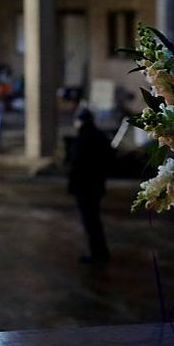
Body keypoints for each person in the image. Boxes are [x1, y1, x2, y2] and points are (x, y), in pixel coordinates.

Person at [68, 108, 112, 264]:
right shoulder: (99, 136)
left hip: (85, 186)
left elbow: (77, 164)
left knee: (91, 221)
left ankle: (98, 254)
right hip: (97, 184)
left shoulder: (83, 138)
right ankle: (100, 252)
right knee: (94, 219)